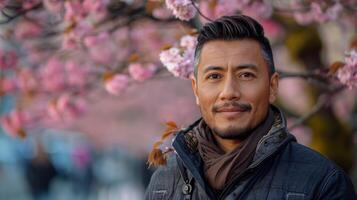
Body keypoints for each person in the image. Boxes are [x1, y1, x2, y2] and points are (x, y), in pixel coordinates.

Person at [145, 15, 357, 200]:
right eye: (214, 76)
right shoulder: (165, 183)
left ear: (272, 87)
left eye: (246, 75)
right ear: (196, 89)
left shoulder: (322, 182)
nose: (229, 91)